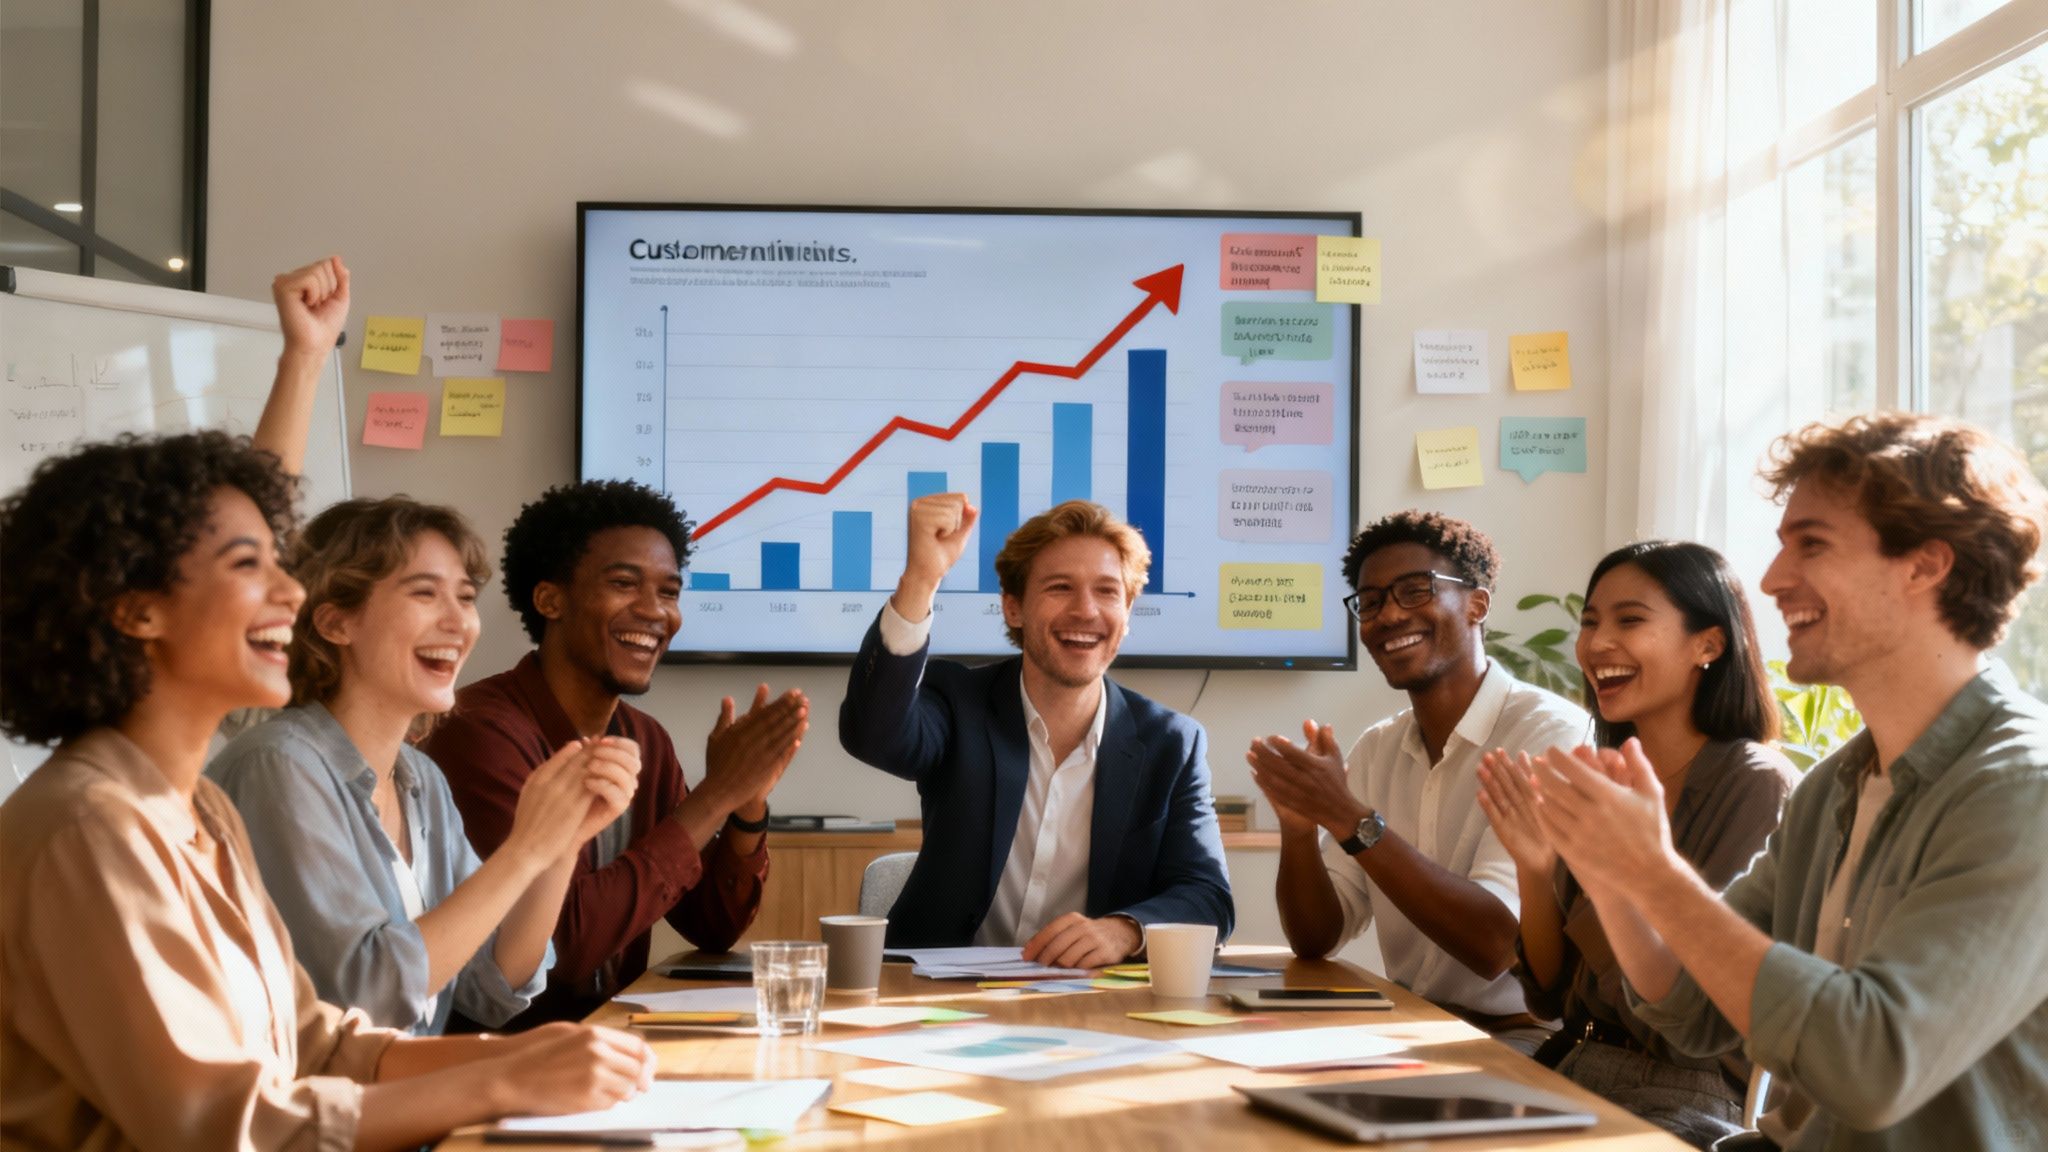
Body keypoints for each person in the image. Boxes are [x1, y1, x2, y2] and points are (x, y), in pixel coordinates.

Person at [0, 258, 654, 1150]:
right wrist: (500, 1076)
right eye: (251, 569)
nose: (292, 594)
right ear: (136, 609)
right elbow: (220, 1123)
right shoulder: (94, 829)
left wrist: (540, 1059)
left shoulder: (203, 814)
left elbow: (323, 1044)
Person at [1531, 413, 2048, 1152]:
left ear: (1925, 565)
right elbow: (1689, 1002)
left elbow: (1872, 1065)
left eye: (1812, 544)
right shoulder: (1834, 786)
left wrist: (1652, 869)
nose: (1772, 580)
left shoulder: (2024, 789)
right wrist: (1618, 877)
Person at [210, 496, 639, 1034]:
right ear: (337, 622)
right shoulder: (278, 766)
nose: (459, 622)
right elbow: (366, 1000)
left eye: (465, 597)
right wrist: (524, 849)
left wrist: (558, 847)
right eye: (425, 593)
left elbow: (492, 987)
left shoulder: (421, 779)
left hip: (398, 1101)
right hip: (315, 1112)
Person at [425, 478, 808, 1025]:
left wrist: (746, 803)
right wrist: (714, 795)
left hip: (614, 1041)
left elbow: (713, 926)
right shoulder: (479, 732)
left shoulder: (644, 739)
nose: (656, 612)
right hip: (508, 1059)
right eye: (626, 584)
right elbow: (564, 952)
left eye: (670, 592)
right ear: (549, 599)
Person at [1477, 541, 1796, 1146]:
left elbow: (1691, 1023)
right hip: (1568, 1065)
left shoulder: (1753, 783)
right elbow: (1548, 995)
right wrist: (1533, 867)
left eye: (1630, 620)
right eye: (1590, 622)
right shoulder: (1605, 773)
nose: (1596, 645)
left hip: (1685, 1092)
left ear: (1709, 643)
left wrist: (1609, 874)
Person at [839, 495, 1232, 966]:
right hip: (932, 995)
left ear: (1127, 615)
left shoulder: (1172, 743)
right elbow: (873, 734)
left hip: (1088, 1003)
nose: (1086, 611)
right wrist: (921, 580)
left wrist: (1125, 930)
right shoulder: (958, 702)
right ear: (1013, 609)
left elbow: (1207, 894)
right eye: (1060, 588)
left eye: (1107, 591)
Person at [1249, 510, 1588, 1053]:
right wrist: (1298, 829)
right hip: (1406, 1025)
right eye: (1372, 601)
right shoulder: (1378, 747)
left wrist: (1351, 820)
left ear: (1477, 604)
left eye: (1415, 591)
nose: (1387, 616)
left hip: (1521, 1040)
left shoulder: (1550, 735)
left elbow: (1497, 945)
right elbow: (1317, 938)